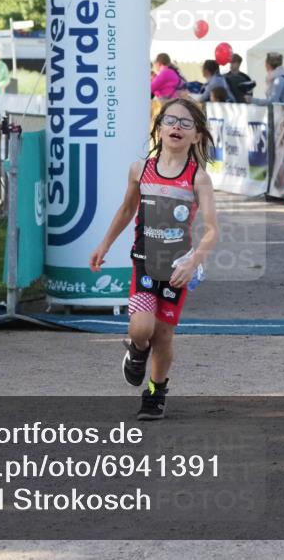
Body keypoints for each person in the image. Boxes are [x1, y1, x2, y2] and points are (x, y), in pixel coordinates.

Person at [89, 97, 219, 420]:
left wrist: (193, 262)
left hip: (177, 269)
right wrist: (104, 244)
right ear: (158, 129)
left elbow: (212, 231)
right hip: (144, 262)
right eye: (170, 120)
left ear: (197, 136)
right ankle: (136, 349)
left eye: (186, 123)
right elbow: (126, 210)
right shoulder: (140, 170)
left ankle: (155, 393)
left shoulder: (198, 178)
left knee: (163, 334)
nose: (177, 127)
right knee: (142, 328)